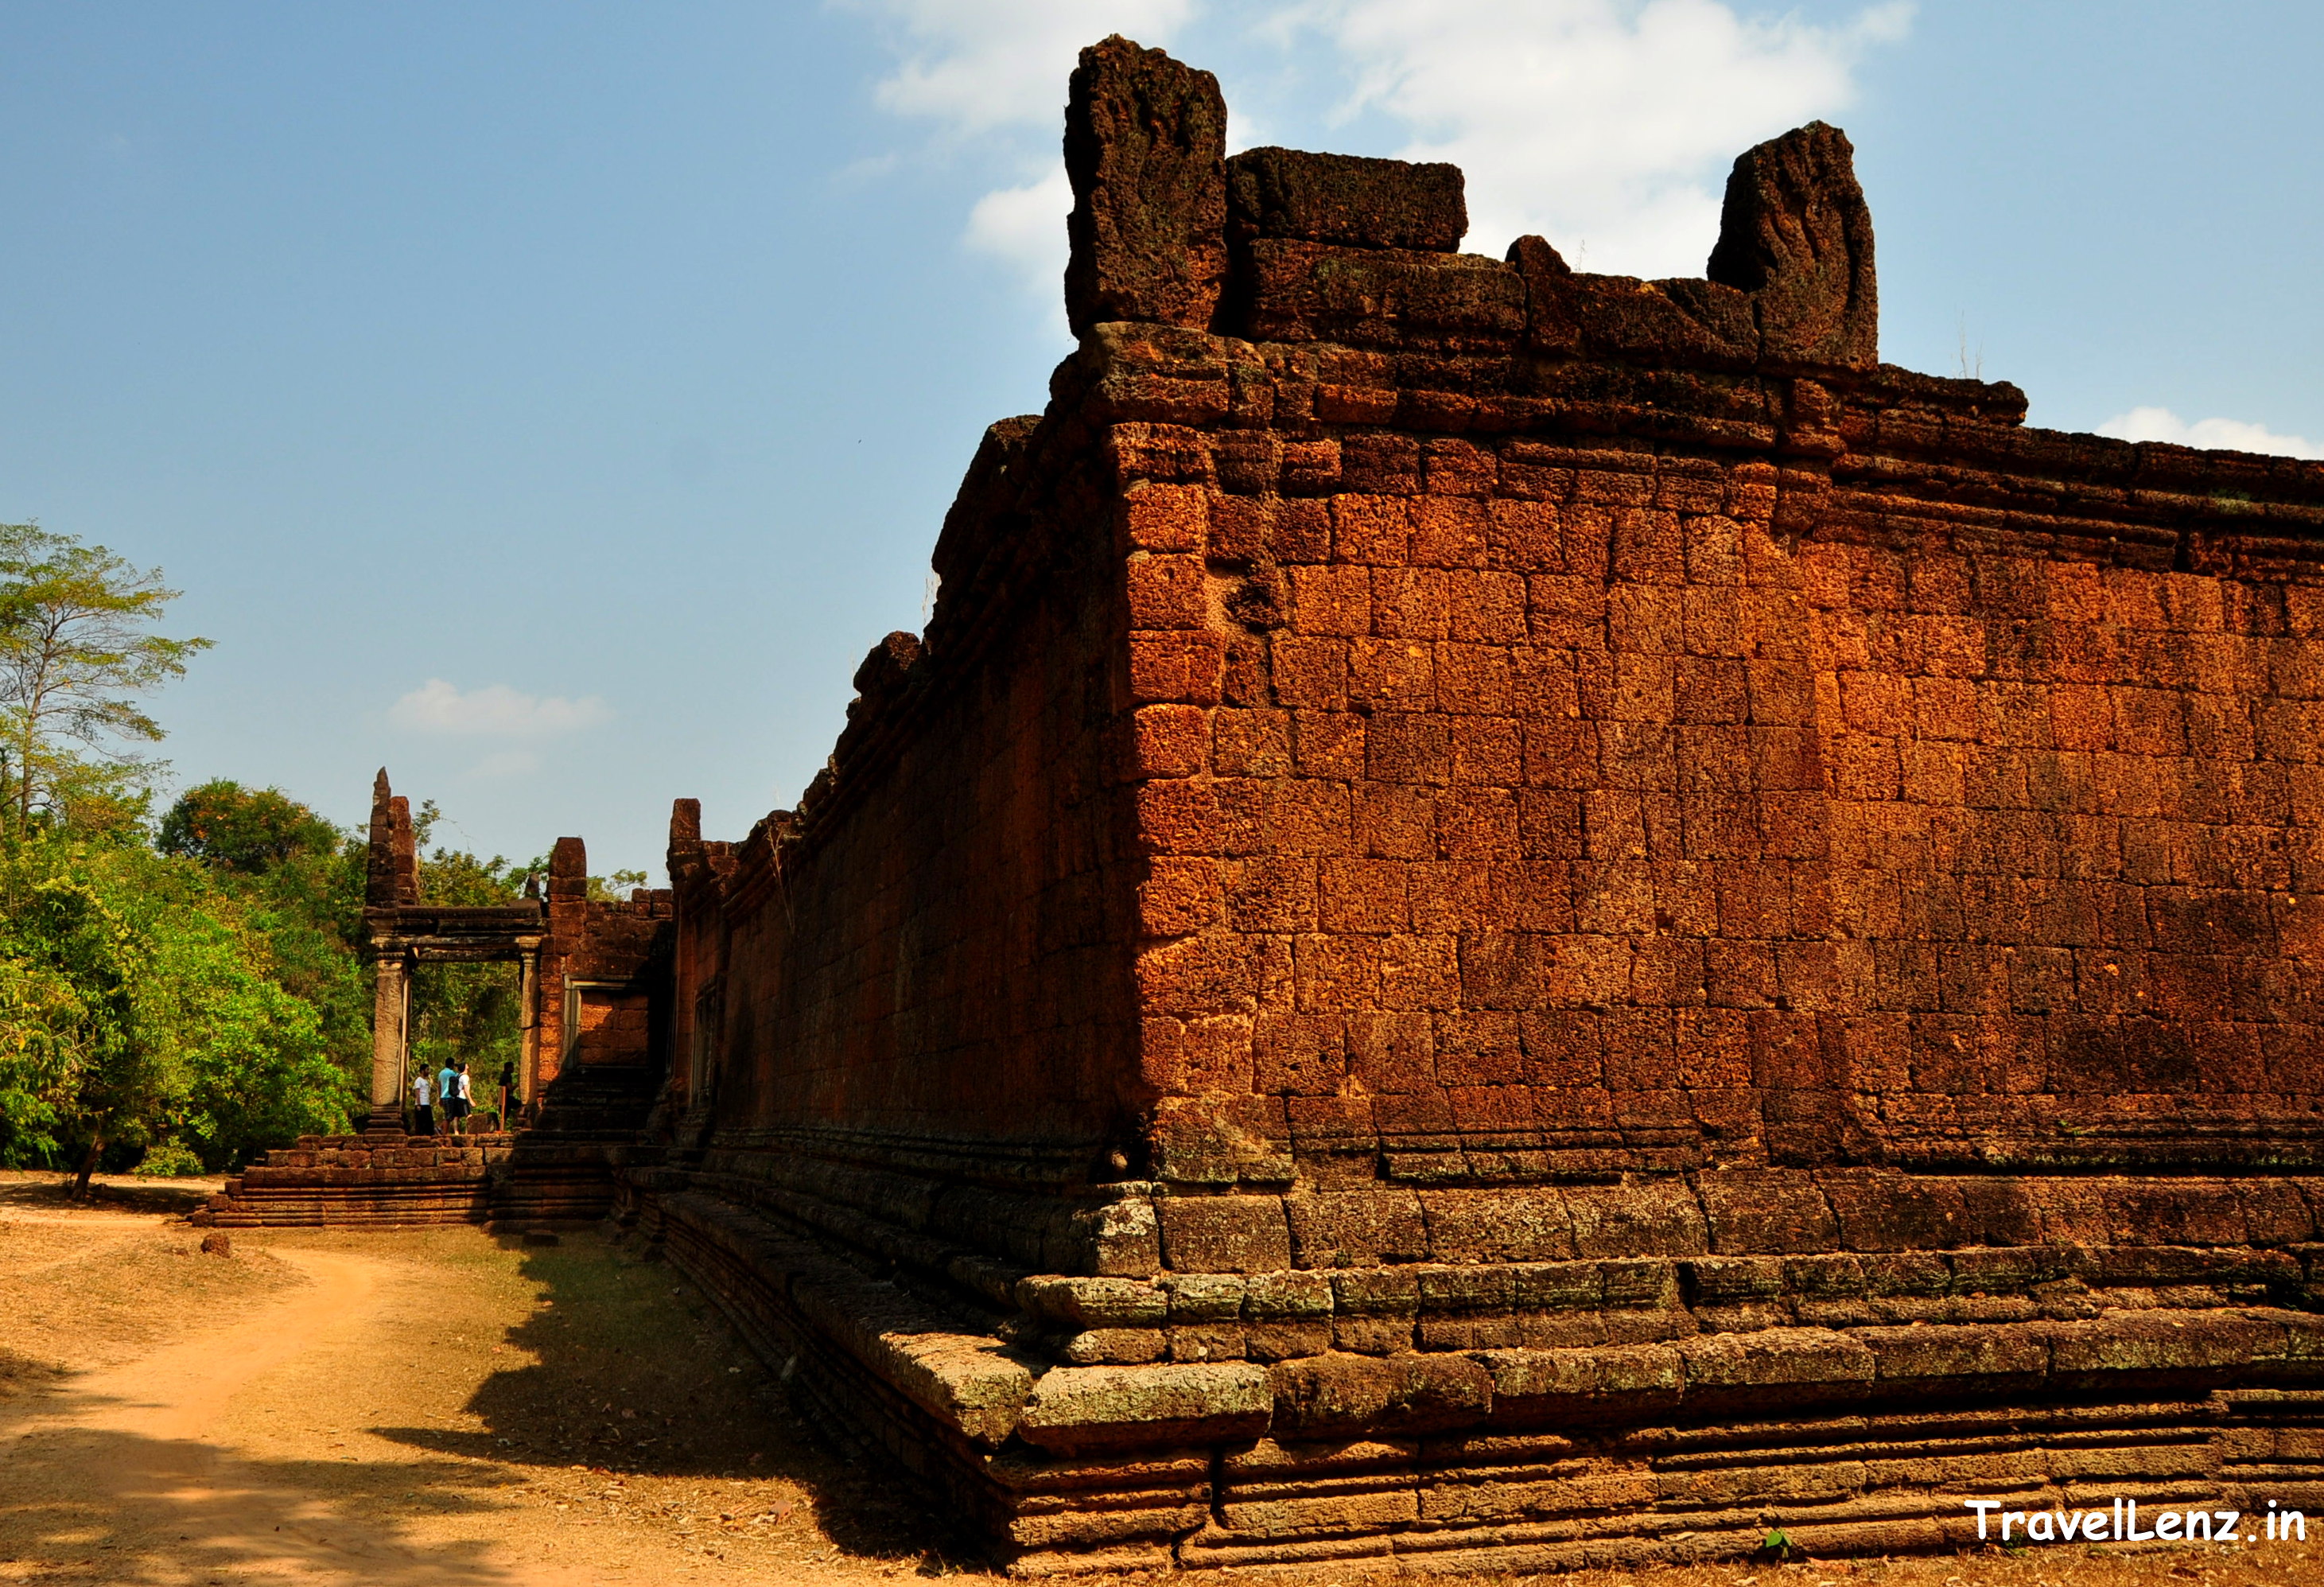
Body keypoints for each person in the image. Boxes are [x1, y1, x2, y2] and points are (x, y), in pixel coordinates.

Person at [409, 1068, 433, 1138]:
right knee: (420, 1122)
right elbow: (417, 1092)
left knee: (429, 1121)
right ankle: (419, 1136)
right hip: (421, 1104)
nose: (428, 1071)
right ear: (422, 1071)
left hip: (427, 1103)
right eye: (427, 1070)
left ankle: (428, 1136)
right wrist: (418, 1104)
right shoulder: (418, 1080)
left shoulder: (426, 1081)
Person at [453, 1060, 475, 1136]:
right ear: (465, 1067)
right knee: (468, 1116)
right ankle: (467, 1133)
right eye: (467, 1065)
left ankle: (456, 1132)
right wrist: (471, 1100)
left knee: (456, 1116)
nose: (468, 1066)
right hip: (462, 1098)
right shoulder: (465, 1077)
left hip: (456, 1098)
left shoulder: (458, 1075)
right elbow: (466, 1089)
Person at [437, 1060, 458, 1137]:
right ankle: (443, 1132)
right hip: (449, 1096)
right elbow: (458, 1077)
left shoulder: (441, 1073)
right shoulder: (452, 1073)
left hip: (443, 1096)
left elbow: (439, 1086)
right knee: (449, 1116)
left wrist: (439, 1097)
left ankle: (442, 1129)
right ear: (452, 1065)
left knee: (448, 1115)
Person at [496, 1060, 516, 1132]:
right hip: (506, 1098)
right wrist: (517, 1085)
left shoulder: (504, 1075)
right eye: (512, 1067)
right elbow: (510, 1088)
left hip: (504, 1098)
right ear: (508, 1068)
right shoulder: (507, 1076)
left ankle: (502, 1128)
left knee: (505, 1115)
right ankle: (502, 1129)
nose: (513, 1069)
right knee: (520, 1105)